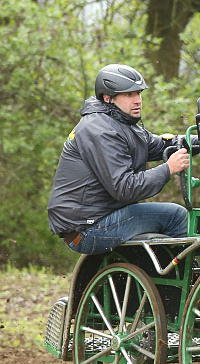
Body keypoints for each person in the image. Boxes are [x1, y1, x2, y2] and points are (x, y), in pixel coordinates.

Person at [47, 64, 191, 255]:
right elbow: (125, 188)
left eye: (138, 93)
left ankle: (159, 269)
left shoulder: (121, 123)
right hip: (87, 228)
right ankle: (177, 272)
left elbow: (161, 145)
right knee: (176, 216)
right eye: (129, 95)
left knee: (169, 215)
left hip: (100, 217)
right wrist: (168, 168)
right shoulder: (100, 130)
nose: (137, 100)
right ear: (108, 98)